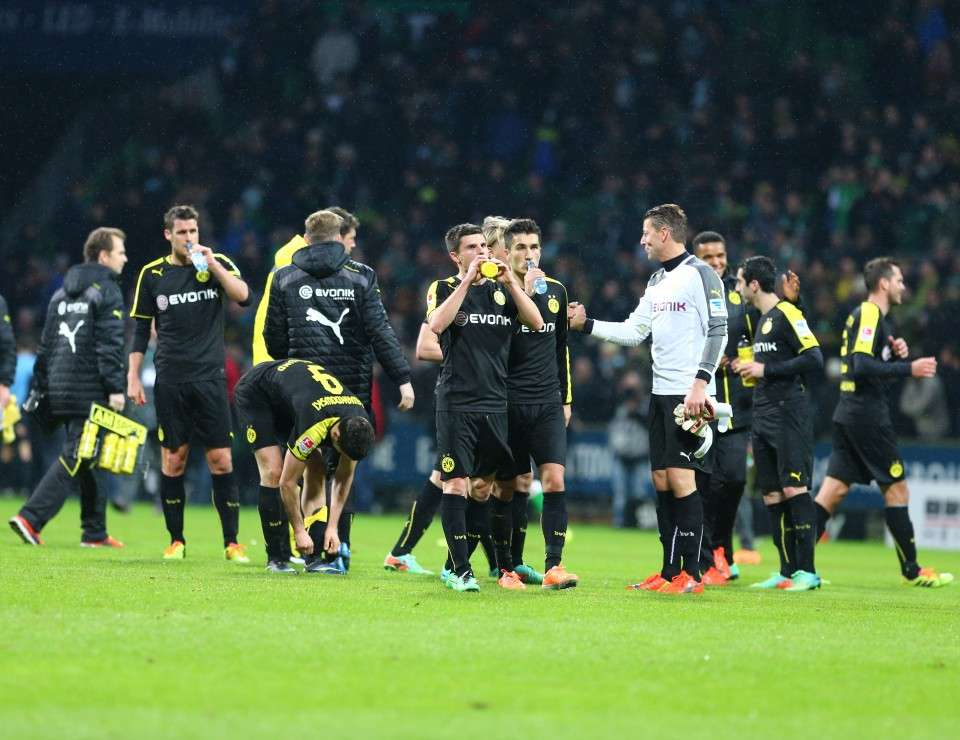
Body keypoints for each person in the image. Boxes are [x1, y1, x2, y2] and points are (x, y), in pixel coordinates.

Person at [569, 204, 727, 594]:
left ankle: (692, 574)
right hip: (660, 394)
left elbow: (718, 329)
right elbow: (634, 330)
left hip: (689, 394)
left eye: (645, 233)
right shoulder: (657, 280)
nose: (641, 240)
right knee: (660, 479)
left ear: (664, 233)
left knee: (681, 478)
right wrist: (586, 325)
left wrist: (700, 384)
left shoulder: (701, 274)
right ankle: (669, 570)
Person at [262, 209, 414, 571]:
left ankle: (315, 553)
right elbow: (380, 332)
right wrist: (402, 379)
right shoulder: (361, 277)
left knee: (312, 469)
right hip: (352, 392)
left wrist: (296, 367)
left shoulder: (283, 277)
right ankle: (339, 549)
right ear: (339, 235)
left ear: (306, 236)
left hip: (304, 392)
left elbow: (273, 340)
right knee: (346, 467)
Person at [814, 257, 951, 587]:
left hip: (850, 413)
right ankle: (913, 570)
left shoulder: (873, 319)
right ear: (884, 283)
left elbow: (867, 363)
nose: (905, 286)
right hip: (867, 417)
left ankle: (796, 567)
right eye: (900, 280)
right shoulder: (871, 314)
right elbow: (861, 365)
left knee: (831, 493)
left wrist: (894, 355)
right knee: (897, 488)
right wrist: (909, 368)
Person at [127, 205, 251, 562]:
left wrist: (212, 265)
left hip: (211, 379)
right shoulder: (152, 274)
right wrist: (133, 375)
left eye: (193, 231)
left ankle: (232, 543)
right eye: (181, 232)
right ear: (169, 235)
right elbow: (139, 330)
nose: (189, 238)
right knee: (174, 460)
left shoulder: (215, 264)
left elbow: (244, 297)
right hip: (171, 379)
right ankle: (176, 541)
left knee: (221, 460)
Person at [428, 223, 543, 592]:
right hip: (456, 402)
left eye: (484, 245)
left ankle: (452, 565)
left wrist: (511, 283)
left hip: (495, 403)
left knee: (482, 488)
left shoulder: (501, 289)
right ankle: (462, 571)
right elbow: (435, 325)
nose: (482, 252)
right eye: (472, 247)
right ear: (455, 256)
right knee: (456, 483)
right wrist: (467, 282)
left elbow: (537, 321)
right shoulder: (444, 288)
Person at [9, 227, 128, 547]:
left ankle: (95, 531)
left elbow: (46, 346)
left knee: (89, 455)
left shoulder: (61, 293)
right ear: (104, 256)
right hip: (90, 388)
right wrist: (116, 388)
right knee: (79, 452)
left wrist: (43, 385)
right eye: (120, 252)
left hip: (60, 387)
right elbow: (109, 345)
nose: (125, 258)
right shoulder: (108, 290)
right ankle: (30, 518)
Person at [692, 231, 800, 579]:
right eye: (708, 257)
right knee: (703, 485)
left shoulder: (740, 297)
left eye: (720, 255)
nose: (716, 262)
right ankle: (709, 558)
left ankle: (721, 546)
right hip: (699, 406)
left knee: (735, 479)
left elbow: (773, 336)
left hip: (738, 405)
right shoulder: (687, 293)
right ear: (696, 258)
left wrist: (794, 305)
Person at [487, 218, 578, 590]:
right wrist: (518, 291)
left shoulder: (556, 291)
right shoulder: (494, 292)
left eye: (534, 247)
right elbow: (492, 347)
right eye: (521, 247)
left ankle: (554, 566)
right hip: (507, 403)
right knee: (507, 487)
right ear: (507, 253)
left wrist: (566, 398)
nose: (529, 253)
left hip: (546, 402)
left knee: (554, 479)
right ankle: (506, 569)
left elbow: (561, 350)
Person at [233, 358, 376, 573]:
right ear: (335, 434)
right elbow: (287, 483)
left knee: (318, 468)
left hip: (291, 399)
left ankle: (314, 558)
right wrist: (299, 531)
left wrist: (333, 527)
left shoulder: (358, 422)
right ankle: (276, 558)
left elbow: (343, 477)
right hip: (257, 394)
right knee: (273, 471)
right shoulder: (315, 424)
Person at [734, 256, 824, 591]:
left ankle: (808, 571)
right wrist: (748, 370)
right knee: (771, 494)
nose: (738, 288)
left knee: (794, 488)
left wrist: (765, 371)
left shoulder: (787, 313)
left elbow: (815, 358)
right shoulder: (762, 320)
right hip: (763, 414)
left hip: (789, 413)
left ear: (754, 285)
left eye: (741, 282)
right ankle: (786, 571)